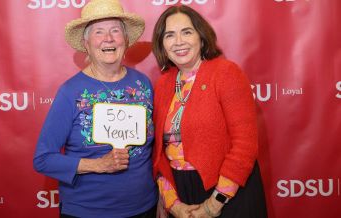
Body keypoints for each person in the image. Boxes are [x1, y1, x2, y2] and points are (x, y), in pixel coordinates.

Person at [33, 0, 157, 217]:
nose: (108, 38)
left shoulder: (143, 84)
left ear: (126, 40)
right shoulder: (70, 92)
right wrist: (98, 164)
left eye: (115, 31)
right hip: (88, 211)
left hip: (144, 208)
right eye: (99, 32)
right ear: (87, 43)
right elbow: (43, 159)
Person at [151, 5, 267, 218]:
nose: (178, 41)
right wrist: (172, 203)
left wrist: (214, 204)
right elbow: (158, 153)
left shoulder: (226, 73)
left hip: (229, 193)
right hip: (182, 193)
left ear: (201, 37)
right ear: (162, 44)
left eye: (187, 32)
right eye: (169, 35)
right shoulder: (163, 84)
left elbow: (245, 146)